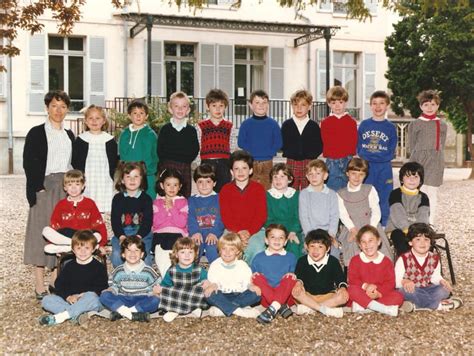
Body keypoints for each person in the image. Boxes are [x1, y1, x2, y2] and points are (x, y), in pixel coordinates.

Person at [23, 90, 75, 300]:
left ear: (67, 110)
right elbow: (29, 162)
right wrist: (38, 188)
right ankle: (38, 284)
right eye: (54, 106)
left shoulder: (69, 135)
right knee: (40, 232)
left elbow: (74, 164)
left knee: (63, 232)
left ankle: (54, 279)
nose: (58, 110)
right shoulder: (36, 133)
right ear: (47, 108)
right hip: (44, 185)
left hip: (65, 188)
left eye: (62, 107)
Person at [38, 230, 108, 326]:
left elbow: (102, 287)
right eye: (79, 248)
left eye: (87, 248)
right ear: (73, 250)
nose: (83, 251)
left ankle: (61, 317)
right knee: (47, 300)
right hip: (70, 300)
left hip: (88, 299)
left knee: (92, 297)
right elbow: (59, 285)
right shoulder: (69, 266)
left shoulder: (98, 267)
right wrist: (68, 296)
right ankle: (77, 315)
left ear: (93, 249)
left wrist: (81, 296)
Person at [337, 157, 393, 268]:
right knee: (354, 249)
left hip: (370, 225)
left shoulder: (369, 189)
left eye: (361, 174)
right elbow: (342, 214)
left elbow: (376, 211)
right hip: (352, 228)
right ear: (347, 173)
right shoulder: (341, 193)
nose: (357, 177)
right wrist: (352, 229)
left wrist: (371, 228)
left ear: (365, 176)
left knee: (379, 249)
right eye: (353, 173)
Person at [395, 223, 462, 311]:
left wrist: (441, 281)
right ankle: (437, 306)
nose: (423, 243)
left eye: (426, 239)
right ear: (410, 242)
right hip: (412, 290)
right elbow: (395, 282)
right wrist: (404, 281)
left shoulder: (434, 258)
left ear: (431, 243)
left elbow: (435, 277)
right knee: (403, 291)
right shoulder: (403, 259)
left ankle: (416, 306)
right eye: (418, 239)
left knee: (444, 290)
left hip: (427, 289)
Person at [219, 150, 267, 264]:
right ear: (231, 171)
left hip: (255, 230)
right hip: (231, 230)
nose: (240, 172)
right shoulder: (225, 190)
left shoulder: (258, 189)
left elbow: (261, 215)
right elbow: (226, 216)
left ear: (250, 170)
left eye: (244, 168)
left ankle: (251, 277)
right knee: (228, 248)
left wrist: (249, 232)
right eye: (236, 169)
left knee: (257, 248)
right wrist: (238, 232)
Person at [42, 170, 107, 254]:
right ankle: (74, 245)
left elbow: (99, 224)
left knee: (98, 235)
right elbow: (55, 224)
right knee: (46, 231)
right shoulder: (61, 204)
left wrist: (102, 244)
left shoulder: (90, 203)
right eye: (69, 185)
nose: (73, 188)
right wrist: (53, 241)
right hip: (67, 235)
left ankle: (72, 246)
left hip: (85, 235)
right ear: (65, 187)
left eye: (77, 184)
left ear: (83, 186)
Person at [357, 91, 397, 226]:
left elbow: (392, 149)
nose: (378, 106)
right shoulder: (364, 125)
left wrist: (378, 156)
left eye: (381, 103)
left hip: (384, 166)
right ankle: (365, 224)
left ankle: (384, 225)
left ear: (387, 106)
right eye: (374, 103)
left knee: (384, 196)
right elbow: (358, 146)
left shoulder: (390, 127)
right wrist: (366, 156)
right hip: (367, 166)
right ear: (370, 106)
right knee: (366, 195)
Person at [408, 90, 447, 225]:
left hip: (435, 161)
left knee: (432, 193)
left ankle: (430, 223)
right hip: (419, 160)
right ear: (420, 106)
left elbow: (441, 143)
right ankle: (417, 222)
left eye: (432, 104)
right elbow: (412, 144)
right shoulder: (415, 124)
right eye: (426, 105)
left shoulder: (442, 124)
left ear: (437, 106)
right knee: (418, 191)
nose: (429, 108)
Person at [100, 236, 160, 322]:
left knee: (155, 300)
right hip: (123, 298)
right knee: (104, 295)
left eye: (136, 250)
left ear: (142, 254)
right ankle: (134, 314)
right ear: (123, 254)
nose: (132, 254)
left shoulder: (148, 271)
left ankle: (125, 313)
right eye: (129, 250)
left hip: (141, 298)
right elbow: (115, 286)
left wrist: (155, 291)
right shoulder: (119, 270)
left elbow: (156, 285)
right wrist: (111, 289)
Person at [347, 225, 404, 316]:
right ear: (359, 245)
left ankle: (365, 308)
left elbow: (390, 284)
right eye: (363, 242)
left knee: (398, 296)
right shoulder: (355, 260)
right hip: (361, 294)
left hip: (379, 295)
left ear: (378, 241)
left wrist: (378, 294)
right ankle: (382, 309)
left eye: (370, 240)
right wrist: (366, 287)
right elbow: (353, 280)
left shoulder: (386, 262)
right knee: (351, 289)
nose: (367, 245)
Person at [72, 105, 118, 212]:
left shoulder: (109, 140)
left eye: (97, 118)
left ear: (103, 121)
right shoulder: (81, 140)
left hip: (104, 180)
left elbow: (113, 162)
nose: (94, 121)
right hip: (88, 180)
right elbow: (76, 162)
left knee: (102, 210)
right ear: (86, 121)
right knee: (86, 209)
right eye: (91, 118)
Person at [291, 229, 347, 318]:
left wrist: (343, 289)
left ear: (328, 248)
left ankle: (310, 309)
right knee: (296, 292)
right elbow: (299, 277)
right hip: (308, 296)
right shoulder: (302, 261)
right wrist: (298, 284)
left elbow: (340, 279)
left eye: (320, 247)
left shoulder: (333, 261)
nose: (315, 250)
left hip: (328, 296)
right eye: (312, 246)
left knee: (343, 297)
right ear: (306, 247)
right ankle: (323, 309)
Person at [204, 233, 261, 318]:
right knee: (209, 294)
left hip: (239, 295)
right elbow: (213, 282)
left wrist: (251, 286)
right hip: (222, 294)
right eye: (224, 249)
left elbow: (247, 282)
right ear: (219, 250)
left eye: (231, 249)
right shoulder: (215, 264)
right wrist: (212, 286)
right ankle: (240, 311)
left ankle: (223, 309)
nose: (227, 252)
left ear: (237, 251)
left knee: (256, 294)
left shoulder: (242, 265)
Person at [154, 237, 210, 323]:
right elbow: (165, 285)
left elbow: (205, 282)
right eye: (183, 252)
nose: (187, 255)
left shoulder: (199, 269)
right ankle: (191, 309)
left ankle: (175, 310)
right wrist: (159, 289)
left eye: (190, 252)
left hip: (192, 296)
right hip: (177, 297)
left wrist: (205, 282)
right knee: (165, 292)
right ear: (176, 254)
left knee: (199, 290)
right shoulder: (172, 270)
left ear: (195, 254)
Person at [251, 224, 297, 324]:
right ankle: (278, 306)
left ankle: (273, 308)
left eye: (281, 238)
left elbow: (292, 279)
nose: (277, 240)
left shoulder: (291, 257)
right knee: (256, 276)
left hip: (286, 297)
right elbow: (252, 279)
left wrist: (293, 276)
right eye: (273, 237)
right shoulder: (258, 258)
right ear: (266, 240)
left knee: (290, 277)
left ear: (285, 242)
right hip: (266, 299)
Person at [110, 161, 153, 268]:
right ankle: (120, 278)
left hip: (142, 234)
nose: (132, 180)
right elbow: (115, 221)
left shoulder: (146, 199)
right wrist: (121, 236)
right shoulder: (117, 199)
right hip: (122, 234)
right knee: (116, 255)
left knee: (145, 257)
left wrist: (139, 236)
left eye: (136, 176)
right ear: (122, 180)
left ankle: (144, 281)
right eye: (128, 177)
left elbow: (148, 221)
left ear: (141, 179)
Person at [157, 91, 199, 197]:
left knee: (183, 196)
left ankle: (182, 213)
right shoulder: (165, 129)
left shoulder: (191, 130)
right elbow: (160, 150)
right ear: (170, 109)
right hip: (167, 165)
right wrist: (166, 163)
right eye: (176, 106)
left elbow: (194, 149)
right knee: (166, 194)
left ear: (188, 110)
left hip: (184, 166)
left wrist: (185, 160)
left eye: (184, 106)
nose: (180, 109)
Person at [237, 90, 282, 189]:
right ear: (250, 105)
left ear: (268, 105)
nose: (261, 105)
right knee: (249, 188)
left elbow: (278, 143)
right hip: (250, 162)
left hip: (267, 162)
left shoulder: (273, 124)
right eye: (257, 102)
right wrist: (252, 152)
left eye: (264, 102)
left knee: (266, 189)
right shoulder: (246, 124)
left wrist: (270, 152)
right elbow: (241, 142)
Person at [281, 89, 323, 190]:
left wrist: (311, 156)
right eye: (296, 105)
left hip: (309, 162)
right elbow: (282, 142)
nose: (299, 108)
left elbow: (319, 145)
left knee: (309, 189)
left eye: (303, 105)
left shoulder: (314, 126)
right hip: (292, 162)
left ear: (309, 106)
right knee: (290, 189)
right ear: (292, 106)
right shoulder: (287, 125)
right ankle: (292, 206)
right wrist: (289, 152)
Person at [386, 162, 430, 257]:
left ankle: (423, 265)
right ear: (402, 179)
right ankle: (406, 263)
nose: (412, 180)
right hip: (398, 228)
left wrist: (418, 232)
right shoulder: (395, 194)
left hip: (417, 230)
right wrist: (407, 230)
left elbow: (423, 215)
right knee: (400, 239)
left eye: (416, 177)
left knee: (426, 241)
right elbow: (397, 213)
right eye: (408, 176)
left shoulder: (423, 197)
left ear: (421, 181)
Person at [299, 159, 340, 259]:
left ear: (325, 176)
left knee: (334, 251)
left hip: (328, 232)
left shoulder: (332, 194)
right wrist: (309, 236)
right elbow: (304, 217)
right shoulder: (304, 194)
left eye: (317, 173)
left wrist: (331, 235)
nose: (314, 177)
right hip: (309, 231)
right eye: (311, 174)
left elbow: (334, 216)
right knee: (306, 252)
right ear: (307, 177)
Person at [320, 86, 358, 192]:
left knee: (349, 190)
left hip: (348, 160)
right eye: (333, 102)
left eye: (340, 102)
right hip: (332, 162)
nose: (337, 106)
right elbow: (325, 141)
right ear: (329, 104)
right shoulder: (325, 122)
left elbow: (353, 141)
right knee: (332, 191)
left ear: (345, 103)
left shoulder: (351, 122)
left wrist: (351, 157)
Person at [118, 99, 158, 199]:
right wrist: (125, 171)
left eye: (141, 113)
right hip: (129, 175)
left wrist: (149, 170)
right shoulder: (125, 134)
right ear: (129, 115)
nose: (138, 116)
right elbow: (122, 154)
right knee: (129, 201)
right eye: (135, 113)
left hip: (147, 175)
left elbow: (155, 155)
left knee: (147, 201)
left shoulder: (151, 135)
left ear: (146, 116)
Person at [152, 168, 188, 276]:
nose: (172, 188)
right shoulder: (157, 202)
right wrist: (165, 209)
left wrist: (172, 208)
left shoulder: (183, 201)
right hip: (160, 234)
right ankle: (166, 281)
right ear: (162, 186)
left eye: (175, 185)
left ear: (180, 186)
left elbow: (182, 223)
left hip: (177, 235)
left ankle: (175, 279)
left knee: (175, 257)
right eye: (168, 184)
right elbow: (156, 223)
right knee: (161, 256)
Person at [265, 163, 304, 259]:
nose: (278, 180)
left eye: (282, 176)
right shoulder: (268, 195)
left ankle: (293, 272)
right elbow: (267, 217)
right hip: (274, 230)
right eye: (275, 177)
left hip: (293, 229)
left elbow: (298, 216)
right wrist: (276, 233)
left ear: (289, 179)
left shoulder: (296, 195)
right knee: (274, 246)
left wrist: (293, 231)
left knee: (294, 245)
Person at [188, 164, 225, 264]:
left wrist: (214, 232)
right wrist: (195, 232)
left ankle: (218, 274)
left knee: (213, 250)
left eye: (208, 181)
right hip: (197, 234)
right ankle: (191, 273)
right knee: (192, 250)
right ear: (195, 183)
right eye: (200, 182)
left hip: (214, 234)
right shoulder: (192, 200)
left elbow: (221, 218)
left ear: (214, 183)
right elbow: (190, 217)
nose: (204, 185)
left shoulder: (219, 198)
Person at [198, 89, 233, 192]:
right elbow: (199, 145)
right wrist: (197, 165)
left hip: (224, 164)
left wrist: (231, 166)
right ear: (208, 107)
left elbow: (232, 146)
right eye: (214, 106)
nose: (218, 109)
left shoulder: (229, 126)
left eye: (221, 106)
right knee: (207, 191)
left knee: (224, 192)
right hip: (207, 163)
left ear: (225, 107)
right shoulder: (201, 126)